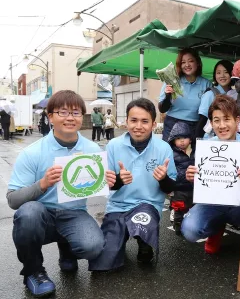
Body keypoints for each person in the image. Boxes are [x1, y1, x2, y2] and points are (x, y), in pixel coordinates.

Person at [6, 90, 116, 297]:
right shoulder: (33, 153)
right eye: (63, 112)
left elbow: (100, 186)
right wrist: (43, 184)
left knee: (93, 246)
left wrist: (112, 183)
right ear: (50, 117)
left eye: (75, 113)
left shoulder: (92, 149)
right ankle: (33, 271)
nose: (69, 118)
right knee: (29, 212)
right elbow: (13, 200)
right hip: (42, 216)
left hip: (74, 213)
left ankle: (67, 248)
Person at [89, 98, 177, 272]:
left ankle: (145, 243)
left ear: (153, 123)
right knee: (105, 262)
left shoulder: (163, 148)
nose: (138, 126)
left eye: (145, 121)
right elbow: (106, 185)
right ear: (126, 122)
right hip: (118, 206)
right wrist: (119, 180)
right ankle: (118, 240)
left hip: (148, 205)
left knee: (143, 224)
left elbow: (170, 188)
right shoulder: (113, 146)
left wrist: (163, 179)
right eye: (133, 120)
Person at [181, 95, 240, 254]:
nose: (222, 125)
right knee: (190, 230)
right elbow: (201, 183)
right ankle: (216, 227)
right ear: (211, 123)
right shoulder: (206, 146)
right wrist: (192, 177)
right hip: (211, 202)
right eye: (216, 120)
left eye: (227, 119)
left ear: (237, 121)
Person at [158, 48, 212, 141]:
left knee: (196, 154)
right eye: (183, 62)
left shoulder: (206, 84)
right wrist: (168, 96)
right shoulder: (172, 81)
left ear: (198, 63)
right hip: (172, 123)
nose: (187, 65)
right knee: (169, 154)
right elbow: (162, 109)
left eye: (191, 61)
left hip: (196, 125)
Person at [195, 60, 236, 139]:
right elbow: (202, 120)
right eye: (218, 73)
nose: (222, 75)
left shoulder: (235, 94)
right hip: (211, 139)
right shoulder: (210, 94)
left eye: (226, 72)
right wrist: (197, 142)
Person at [167, 121, 195, 234]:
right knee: (179, 208)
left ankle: (189, 225)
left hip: (193, 188)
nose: (182, 141)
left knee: (192, 207)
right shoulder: (171, 154)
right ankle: (177, 224)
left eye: (185, 137)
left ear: (190, 139)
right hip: (178, 188)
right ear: (173, 140)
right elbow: (171, 172)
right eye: (178, 138)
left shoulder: (195, 152)